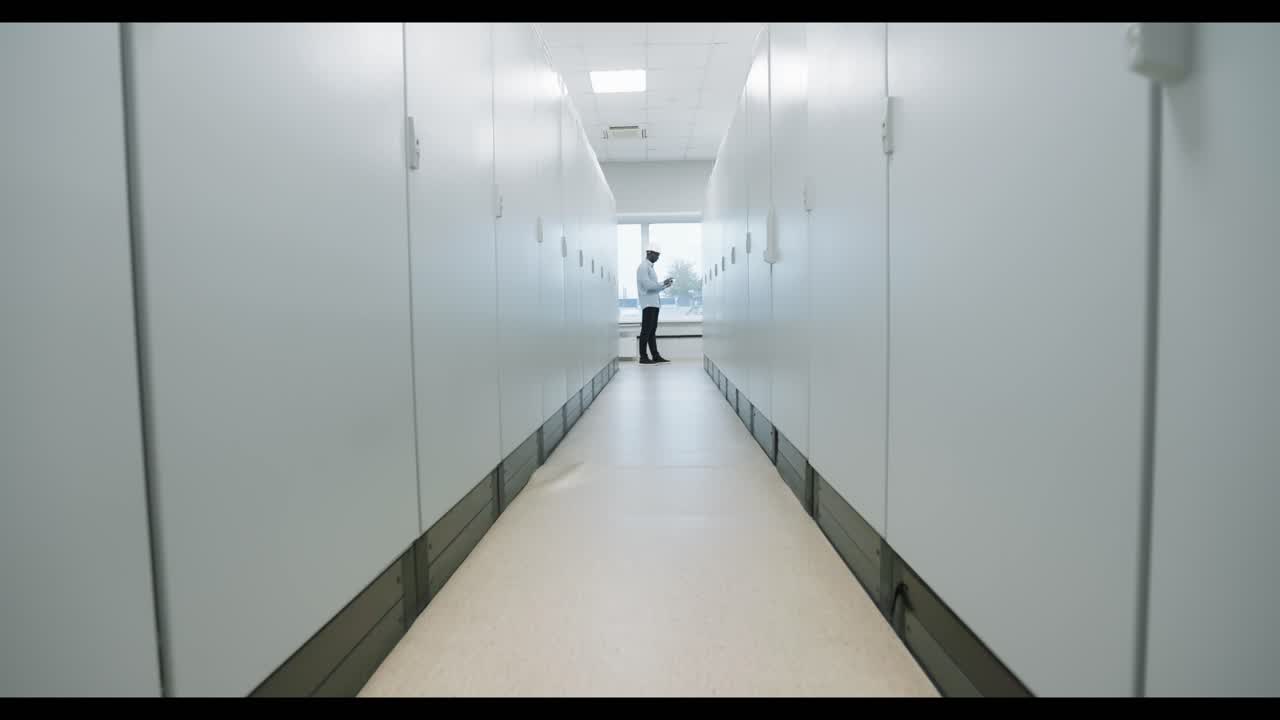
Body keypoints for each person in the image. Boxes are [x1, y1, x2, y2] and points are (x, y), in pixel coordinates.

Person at [635, 246, 673, 364]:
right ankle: (643, 357)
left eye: (658, 255)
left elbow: (654, 287)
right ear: (649, 253)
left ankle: (655, 356)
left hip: (654, 303)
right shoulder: (643, 267)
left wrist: (664, 285)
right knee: (646, 331)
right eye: (656, 255)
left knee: (651, 331)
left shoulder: (650, 268)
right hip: (648, 304)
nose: (657, 257)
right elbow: (648, 286)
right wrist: (662, 283)